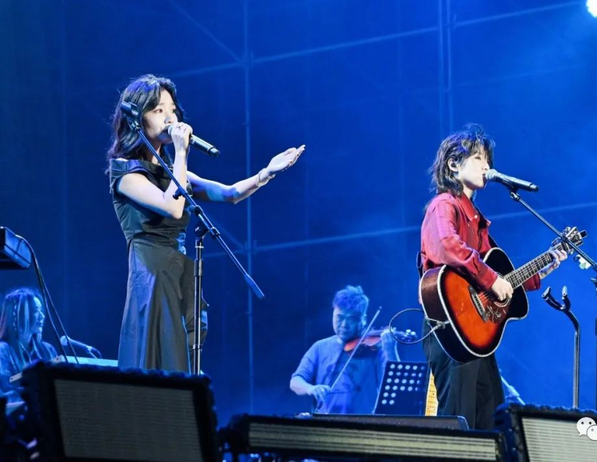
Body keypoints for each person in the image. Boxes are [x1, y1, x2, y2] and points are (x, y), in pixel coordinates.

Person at [107, 74, 304, 372]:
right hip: (152, 275)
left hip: (178, 269)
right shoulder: (125, 173)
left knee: (183, 360)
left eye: (172, 109)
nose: (170, 117)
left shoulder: (173, 170)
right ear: (137, 118)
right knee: (159, 359)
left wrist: (267, 172)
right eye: (158, 110)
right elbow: (173, 208)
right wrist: (181, 151)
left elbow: (230, 193)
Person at [419, 124, 567, 429]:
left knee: (489, 418)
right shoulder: (444, 204)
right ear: (453, 164)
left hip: (476, 330)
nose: (486, 166)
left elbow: (502, 276)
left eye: (487, 159)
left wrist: (543, 268)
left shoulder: (477, 220)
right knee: (459, 420)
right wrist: (491, 280)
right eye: (477, 158)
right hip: (450, 324)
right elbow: (447, 246)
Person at [290, 285, 399, 414]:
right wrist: (311, 388)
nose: (344, 325)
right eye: (339, 318)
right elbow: (295, 381)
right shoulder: (320, 347)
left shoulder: (374, 349)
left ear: (363, 320)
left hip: (362, 422)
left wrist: (390, 351)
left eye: (351, 319)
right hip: (324, 421)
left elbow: (395, 385)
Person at [0, 288, 57, 403]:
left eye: (41, 310)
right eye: (36, 311)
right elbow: (5, 391)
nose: (42, 316)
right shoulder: (2, 351)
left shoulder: (48, 350)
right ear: (18, 315)